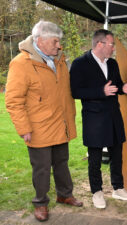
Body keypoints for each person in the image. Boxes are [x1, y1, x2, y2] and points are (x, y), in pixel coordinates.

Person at [5, 20, 83, 222]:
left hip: (61, 124)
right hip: (38, 128)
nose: (59, 46)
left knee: (62, 163)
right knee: (41, 169)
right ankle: (40, 203)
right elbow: (14, 101)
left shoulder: (60, 60)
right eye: (55, 41)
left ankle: (65, 194)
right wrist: (24, 129)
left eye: (59, 42)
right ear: (40, 40)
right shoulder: (21, 64)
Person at [70, 29, 127, 209]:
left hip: (114, 116)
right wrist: (101, 92)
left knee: (117, 154)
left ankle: (118, 188)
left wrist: (124, 88)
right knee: (95, 158)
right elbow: (75, 91)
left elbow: (115, 85)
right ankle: (97, 192)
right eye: (111, 44)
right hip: (94, 119)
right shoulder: (79, 63)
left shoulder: (113, 64)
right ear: (100, 44)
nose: (114, 48)